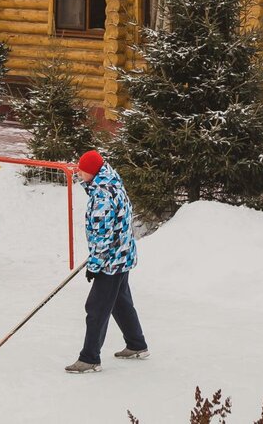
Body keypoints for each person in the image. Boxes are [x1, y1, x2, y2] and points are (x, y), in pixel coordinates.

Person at [66, 150, 148, 374]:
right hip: (122, 256)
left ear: (91, 172)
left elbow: (103, 234)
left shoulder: (102, 196)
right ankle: (136, 344)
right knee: (120, 303)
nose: (78, 172)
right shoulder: (112, 182)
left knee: (96, 308)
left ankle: (90, 358)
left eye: (81, 169)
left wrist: (95, 264)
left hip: (111, 262)